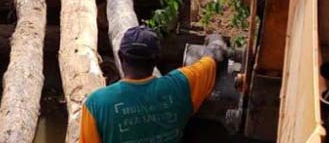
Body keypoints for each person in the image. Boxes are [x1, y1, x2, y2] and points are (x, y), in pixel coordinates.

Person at [80, 26, 228, 143]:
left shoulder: (96, 104)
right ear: (157, 59)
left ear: (120, 56)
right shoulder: (181, 85)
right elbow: (212, 59)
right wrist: (215, 39)